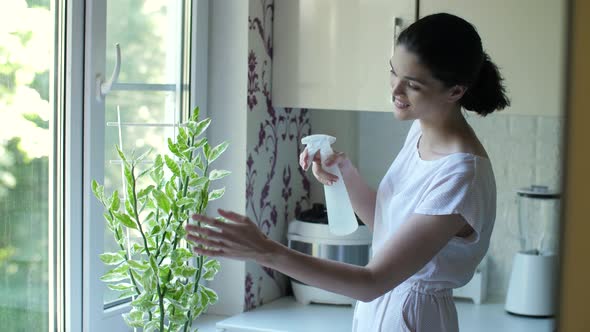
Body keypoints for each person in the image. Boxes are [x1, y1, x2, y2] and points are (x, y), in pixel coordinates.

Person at [186, 12, 509, 332]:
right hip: (379, 310)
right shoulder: (420, 133)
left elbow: (372, 281)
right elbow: (388, 228)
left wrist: (265, 250)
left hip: (413, 317)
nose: (396, 91)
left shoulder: (461, 175)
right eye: (393, 72)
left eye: (412, 85)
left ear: (454, 91)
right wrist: (343, 173)